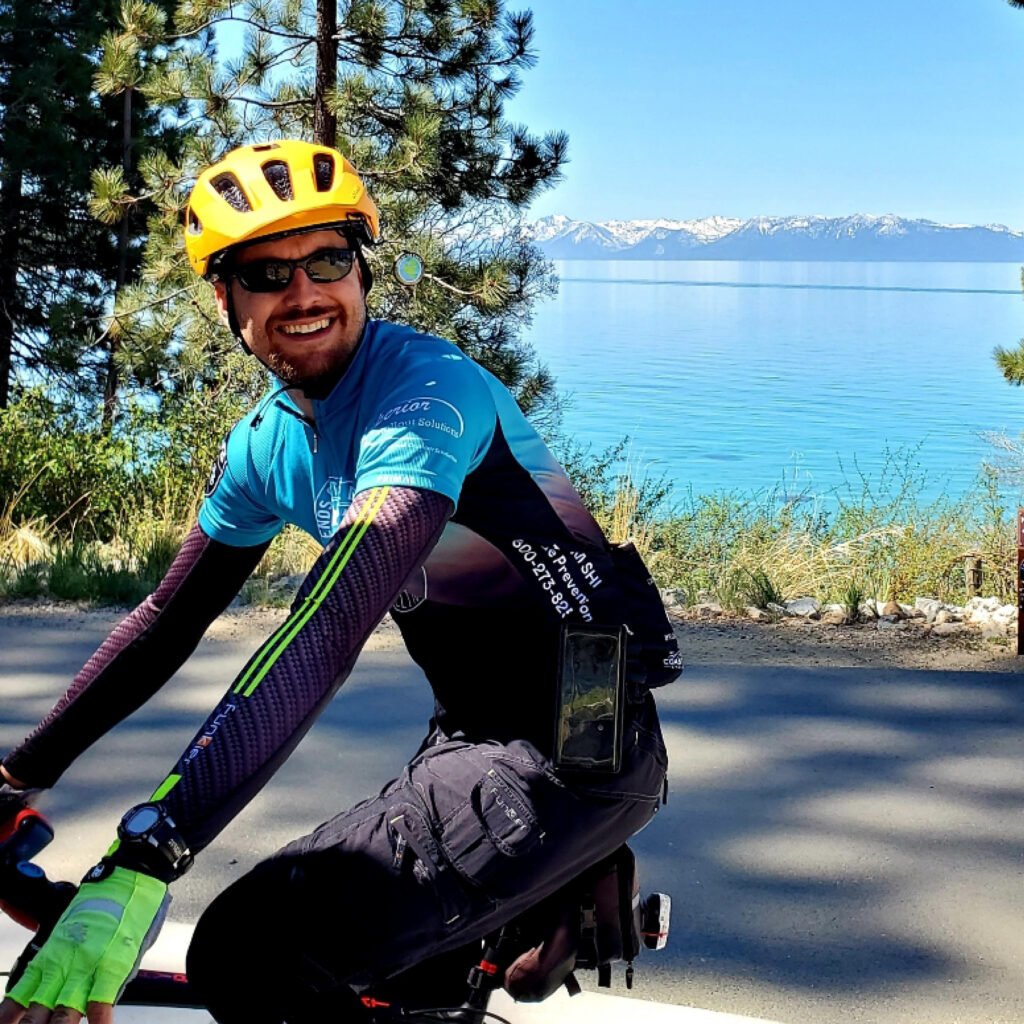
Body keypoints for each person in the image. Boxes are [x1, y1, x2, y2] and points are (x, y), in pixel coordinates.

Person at [0, 140, 681, 1024]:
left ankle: (556, 881)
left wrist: (150, 852)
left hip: (577, 745)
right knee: (391, 988)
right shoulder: (268, 442)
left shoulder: (427, 393)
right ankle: (545, 915)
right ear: (224, 299)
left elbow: (324, 631)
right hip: (472, 736)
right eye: (266, 272)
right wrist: (18, 778)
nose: (306, 291)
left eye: (328, 259)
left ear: (362, 273)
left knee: (251, 955)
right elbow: (169, 620)